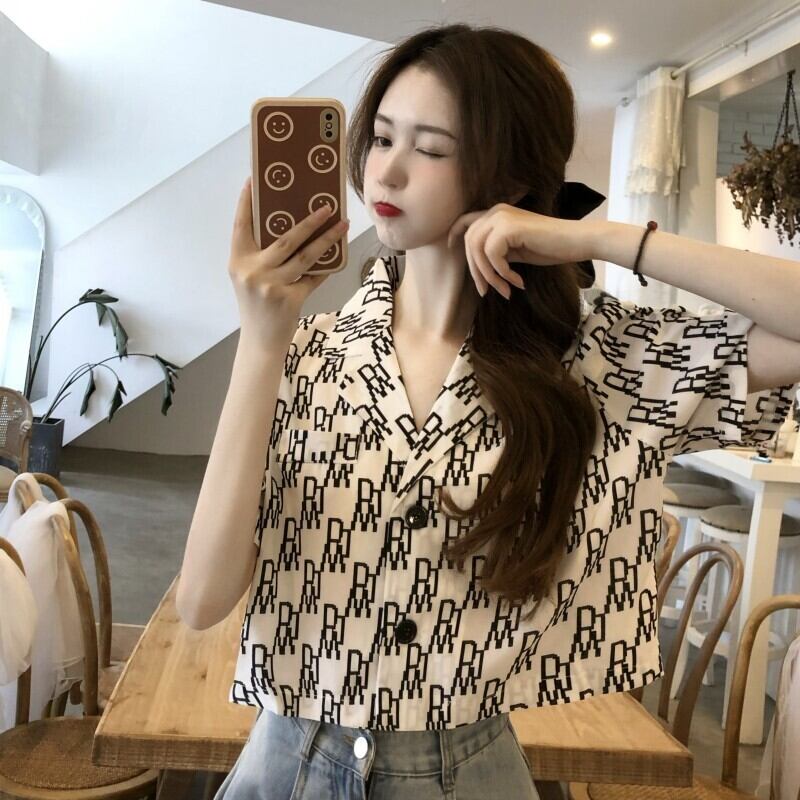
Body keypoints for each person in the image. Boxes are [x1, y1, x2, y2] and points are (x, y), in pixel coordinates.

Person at [175, 23, 800, 800]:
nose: (387, 170)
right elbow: (202, 601)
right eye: (381, 138)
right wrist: (262, 339)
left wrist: (599, 239)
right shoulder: (304, 351)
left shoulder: (592, 360)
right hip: (287, 762)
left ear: (507, 175)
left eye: (432, 149)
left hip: (467, 770)